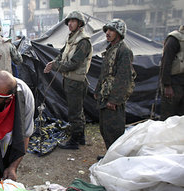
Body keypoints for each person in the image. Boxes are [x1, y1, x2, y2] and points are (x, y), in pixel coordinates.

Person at [44, 11, 92, 149]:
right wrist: (54, 62)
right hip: (69, 81)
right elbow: (61, 54)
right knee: (76, 111)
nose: (70, 24)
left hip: (76, 82)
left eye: (73, 21)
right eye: (69, 21)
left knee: (74, 113)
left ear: (80, 24)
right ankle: (80, 137)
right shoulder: (72, 39)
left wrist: (55, 65)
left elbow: (74, 64)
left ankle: (74, 141)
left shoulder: (83, 41)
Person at [94, 19, 136, 150]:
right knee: (105, 129)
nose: (107, 33)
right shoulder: (111, 49)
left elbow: (124, 78)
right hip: (105, 96)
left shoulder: (124, 51)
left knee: (114, 131)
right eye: (107, 30)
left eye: (111, 30)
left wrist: (114, 100)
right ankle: (109, 155)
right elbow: (105, 73)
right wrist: (97, 90)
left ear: (119, 32)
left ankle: (115, 158)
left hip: (113, 99)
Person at [159, 25, 184, 120]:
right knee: (168, 119)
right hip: (174, 84)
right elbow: (166, 62)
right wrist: (167, 85)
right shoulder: (174, 39)